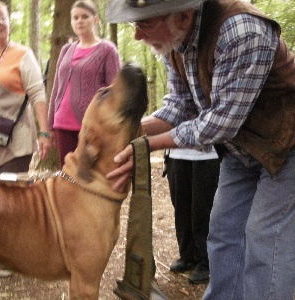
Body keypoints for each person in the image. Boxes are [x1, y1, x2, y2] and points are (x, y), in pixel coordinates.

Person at [105, 0, 295, 299]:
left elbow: (220, 123)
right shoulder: (175, 42)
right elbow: (181, 104)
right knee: (222, 233)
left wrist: (146, 146)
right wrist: (126, 134)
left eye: (145, 24)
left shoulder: (241, 30)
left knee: (265, 238)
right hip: (242, 151)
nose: (138, 36)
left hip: (288, 148)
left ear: (182, 16)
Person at [0, 1, 50, 176]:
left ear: (9, 23)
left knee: (11, 197)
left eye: (2, 18)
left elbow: (38, 94)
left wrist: (44, 133)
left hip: (16, 141)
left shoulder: (23, 54)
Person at [48, 0, 121, 167]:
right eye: (75, 18)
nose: (79, 21)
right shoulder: (66, 49)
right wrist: (49, 125)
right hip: (62, 124)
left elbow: (115, 92)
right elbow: (56, 89)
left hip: (92, 126)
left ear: (95, 20)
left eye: (84, 17)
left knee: (90, 175)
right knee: (68, 175)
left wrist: (111, 126)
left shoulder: (107, 50)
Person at [165, 148, 219, 284]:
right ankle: (188, 256)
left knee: (203, 209)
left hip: (207, 154)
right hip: (177, 152)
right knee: (181, 207)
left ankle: (207, 261)